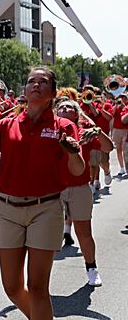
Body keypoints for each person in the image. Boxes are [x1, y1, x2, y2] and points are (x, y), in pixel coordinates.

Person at [0, 67, 86, 320]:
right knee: (12, 287)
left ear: (53, 92)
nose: (36, 85)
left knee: (37, 287)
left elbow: (78, 170)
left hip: (45, 210)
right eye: (31, 81)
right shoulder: (5, 125)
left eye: (43, 82)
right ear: (24, 90)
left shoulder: (64, 127)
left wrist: (73, 152)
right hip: (8, 210)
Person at [55, 99, 111, 287]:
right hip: (54, 188)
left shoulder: (84, 131)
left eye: (69, 107)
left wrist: (98, 131)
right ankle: (38, 278)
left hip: (79, 187)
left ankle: (91, 268)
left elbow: (108, 147)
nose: (64, 108)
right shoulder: (48, 131)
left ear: (77, 113)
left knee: (84, 232)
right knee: (45, 234)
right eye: (61, 107)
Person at [110, 93, 128, 178]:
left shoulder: (127, 107)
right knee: (118, 149)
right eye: (120, 97)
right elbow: (112, 116)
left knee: (125, 150)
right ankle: (121, 167)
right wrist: (116, 105)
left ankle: (127, 167)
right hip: (117, 129)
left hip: (126, 130)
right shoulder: (116, 106)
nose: (122, 99)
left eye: (123, 97)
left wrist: (124, 106)